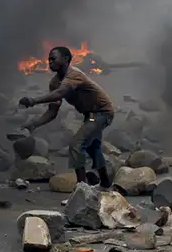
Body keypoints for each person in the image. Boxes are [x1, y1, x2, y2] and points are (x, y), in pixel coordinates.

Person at [19, 46, 115, 188]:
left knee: (77, 144)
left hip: (101, 113)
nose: (50, 62)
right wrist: (34, 124)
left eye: (54, 59)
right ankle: (105, 183)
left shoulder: (74, 75)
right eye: (49, 59)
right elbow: (52, 111)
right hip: (91, 115)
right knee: (93, 147)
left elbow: (60, 94)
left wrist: (33, 101)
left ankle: (81, 189)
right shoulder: (54, 83)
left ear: (66, 59)